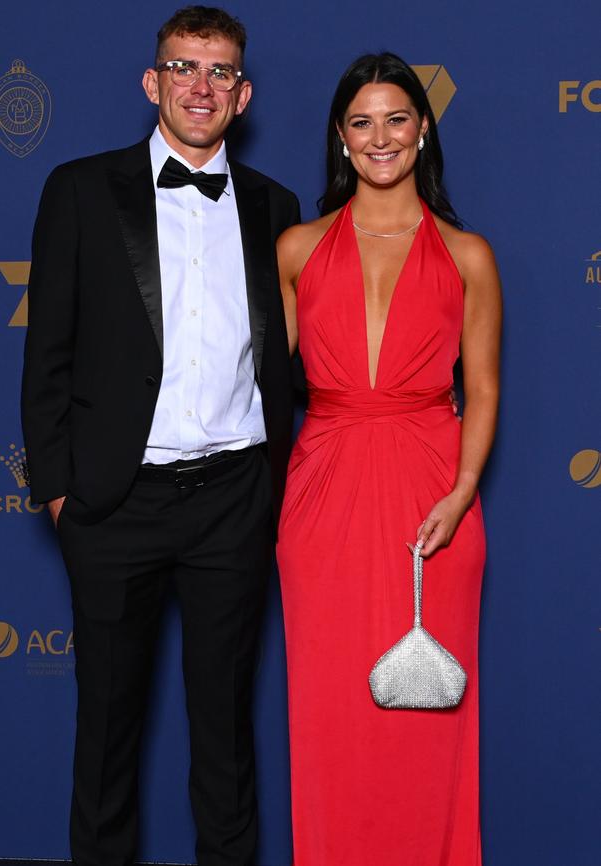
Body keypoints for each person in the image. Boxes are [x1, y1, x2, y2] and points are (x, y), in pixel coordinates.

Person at [21, 6, 299, 865]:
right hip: (115, 502)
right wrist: (63, 493)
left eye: (219, 72)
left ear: (242, 93)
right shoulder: (78, 188)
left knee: (225, 731)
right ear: (154, 82)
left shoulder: (274, 205)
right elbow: (47, 359)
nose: (201, 87)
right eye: (184, 68)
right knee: (106, 727)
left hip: (233, 499)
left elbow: (289, 360)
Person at [276, 52, 501, 865]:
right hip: (322, 497)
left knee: (426, 714)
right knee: (332, 714)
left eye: (396, 118)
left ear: (423, 128)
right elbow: (260, 389)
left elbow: (482, 390)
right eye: (362, 121)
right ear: (340, 137)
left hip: (433, 499)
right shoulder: (297, 248)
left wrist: (465, 489)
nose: (381, 137)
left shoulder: (468, 254)